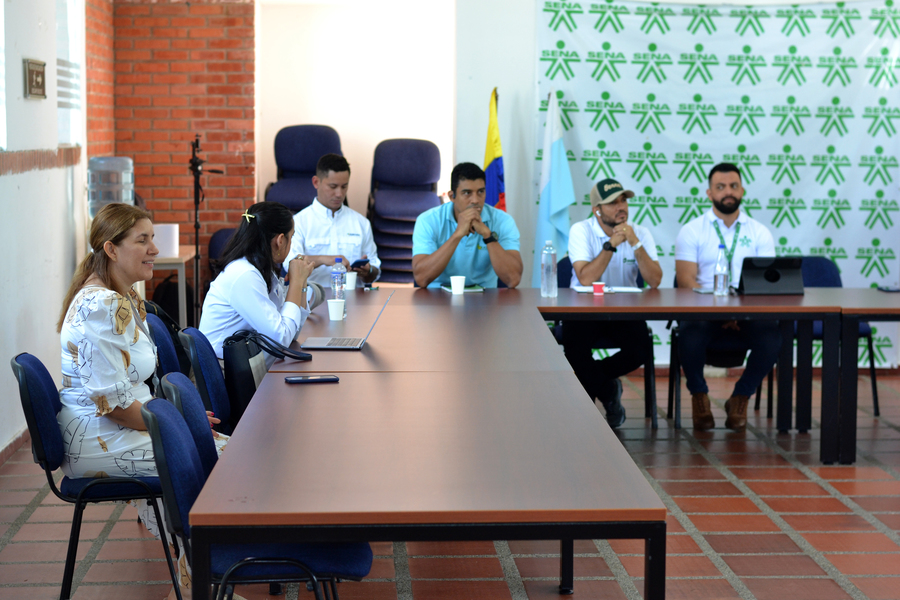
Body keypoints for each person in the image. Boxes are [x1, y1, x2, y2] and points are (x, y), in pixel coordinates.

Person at [56, 203, 225, 600]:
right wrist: (175, 423)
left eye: (153, 238)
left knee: (218, 451)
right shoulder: (102, 306)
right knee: (217, 462)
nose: (154, 249)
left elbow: (129, 392)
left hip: (116, 427)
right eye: (142, 240)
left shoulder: (119, 295)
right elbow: (115, 407)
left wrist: (177, 417)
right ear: (111, 249)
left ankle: (198, 579)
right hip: (98, 438)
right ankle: (203, 580)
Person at [674, 163, 782, 432]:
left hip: (747, 314)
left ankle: (741, 396)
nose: (728, 192)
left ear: (742, 190)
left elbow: (764, 285)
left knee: (772, 336)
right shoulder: (692, 230)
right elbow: (686, 282)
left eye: (734, 186)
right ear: (709, 193)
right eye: (720, 187)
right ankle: (699, 396)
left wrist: (736, 313)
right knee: (689, 333)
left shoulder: (759, 232)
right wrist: (719, 311)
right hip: (703, 311)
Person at [562, 178, 663, 428]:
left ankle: (596, 392)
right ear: (597, 210)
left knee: (640, 350)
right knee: (575, 352)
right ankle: (608, 392)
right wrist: (611, 245)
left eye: (623, 200)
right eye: (612, 203)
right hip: (584, 310)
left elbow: (655, 280)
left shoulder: (640, 233)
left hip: (623, 311)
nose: (621, 207)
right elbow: (585, 278)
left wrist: (635, 243)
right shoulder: (581, 230)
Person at [200, 202, 315, 367]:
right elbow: (281, 339)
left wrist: (301, 282)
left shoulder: (260, 269)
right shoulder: (244, 274)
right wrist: (296, 282)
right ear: (280, 240)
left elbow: (292, 332)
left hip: (240, 367)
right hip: (222, 373)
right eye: (292, 236)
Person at [412, 162, 523, 288]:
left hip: (486, 295)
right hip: (437, 294)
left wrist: (488, 236)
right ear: (452, 196)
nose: (475, 200)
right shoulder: (428, 221)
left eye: (480, 192)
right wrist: (457, 235)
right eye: (467, 193)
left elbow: (513, 279)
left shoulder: (503, 221)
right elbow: (421, 278)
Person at [282, 153, 380, 287]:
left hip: (353, 298)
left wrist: (368, 271)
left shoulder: (361, 223)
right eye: (333, 186)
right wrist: (324, 259)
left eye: (344, 186)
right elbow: (290, 265)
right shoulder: (298, 222)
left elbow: (375, 271)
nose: (339, 194)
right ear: (316, 182)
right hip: (311, 297)